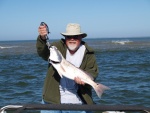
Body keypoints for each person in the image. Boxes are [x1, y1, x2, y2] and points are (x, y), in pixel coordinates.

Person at [36, 23, 99, 113]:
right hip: (52, 101)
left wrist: (88, 80)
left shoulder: (88, 53)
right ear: (65, 38)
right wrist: (42, 38)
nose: (72, 39)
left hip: (79, 103)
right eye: (69, 37)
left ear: (81, 37)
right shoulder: (57, 47)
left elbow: (92, 71)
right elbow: (42, 52)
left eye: (75, 36)